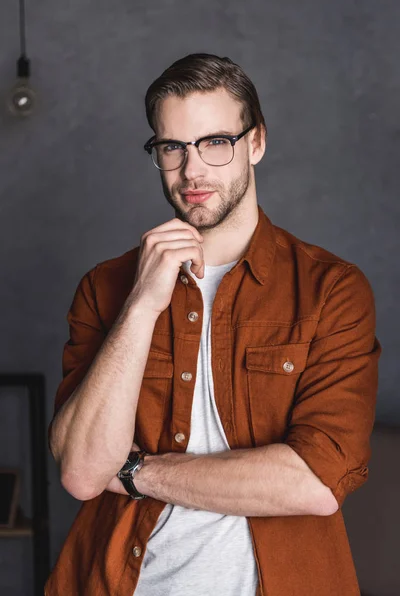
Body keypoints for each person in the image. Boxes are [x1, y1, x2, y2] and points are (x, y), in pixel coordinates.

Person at [45, 53, 382, 596]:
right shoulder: (106, 288)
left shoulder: (331, 291)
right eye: (172, 147)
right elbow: (84, 473)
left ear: (255, 143)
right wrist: (140, 307)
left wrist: (134, 473)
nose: (192, 170)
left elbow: (315, 481)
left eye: (215, 142)